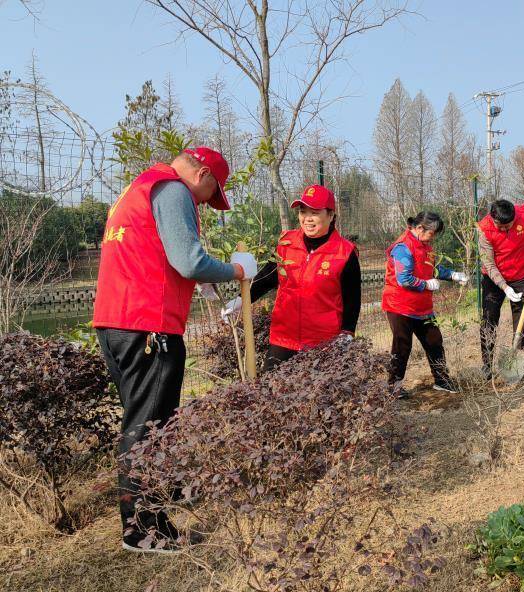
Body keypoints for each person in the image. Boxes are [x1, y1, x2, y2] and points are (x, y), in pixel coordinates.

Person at [92, 148, 258, 553]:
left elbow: (155, 254)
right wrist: (237, 271)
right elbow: (188, 260)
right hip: (148, 324)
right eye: (209, 193)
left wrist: (203, 283)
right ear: (201, 174)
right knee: (148, 427)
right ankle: (144, 529)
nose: (203, 202)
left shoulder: (138, 188)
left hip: (116, 322)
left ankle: (160, 496)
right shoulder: (172, 190)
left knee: (145, 420)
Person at [222, 184, 361, 367]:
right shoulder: (286, 243)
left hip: (323, 341)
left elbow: (352, 298)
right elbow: (268, 277)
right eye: (303, 212)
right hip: (284, 337)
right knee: (272, 389)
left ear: (331, 215)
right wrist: (241, 300)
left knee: (317, 393)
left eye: (315, 213)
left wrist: (347, 332)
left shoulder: (345, 252)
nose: (307, 219)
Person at [382, 211, 469, 396]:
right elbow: (403, 279)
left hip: (422, 307)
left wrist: (452, 275)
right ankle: (393, 387)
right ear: (420, 228)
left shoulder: (426, 246)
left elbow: (432, 267)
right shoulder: (403, 247)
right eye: (432, 233)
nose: (433, 237)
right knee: (402, 345)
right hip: (400, 306)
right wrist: (425, 284)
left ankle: (442, 380)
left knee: (434, 340)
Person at [476, 198, 524, 378]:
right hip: (494, 279)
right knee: (489, 319)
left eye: (508, 226)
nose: (504, 229)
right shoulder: (485, 230)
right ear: (492, 218)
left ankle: (519, 365)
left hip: (523, 276)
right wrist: (504, 287)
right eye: (500, 226)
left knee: (523, 319)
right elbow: (489, 264)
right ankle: (487, 364)